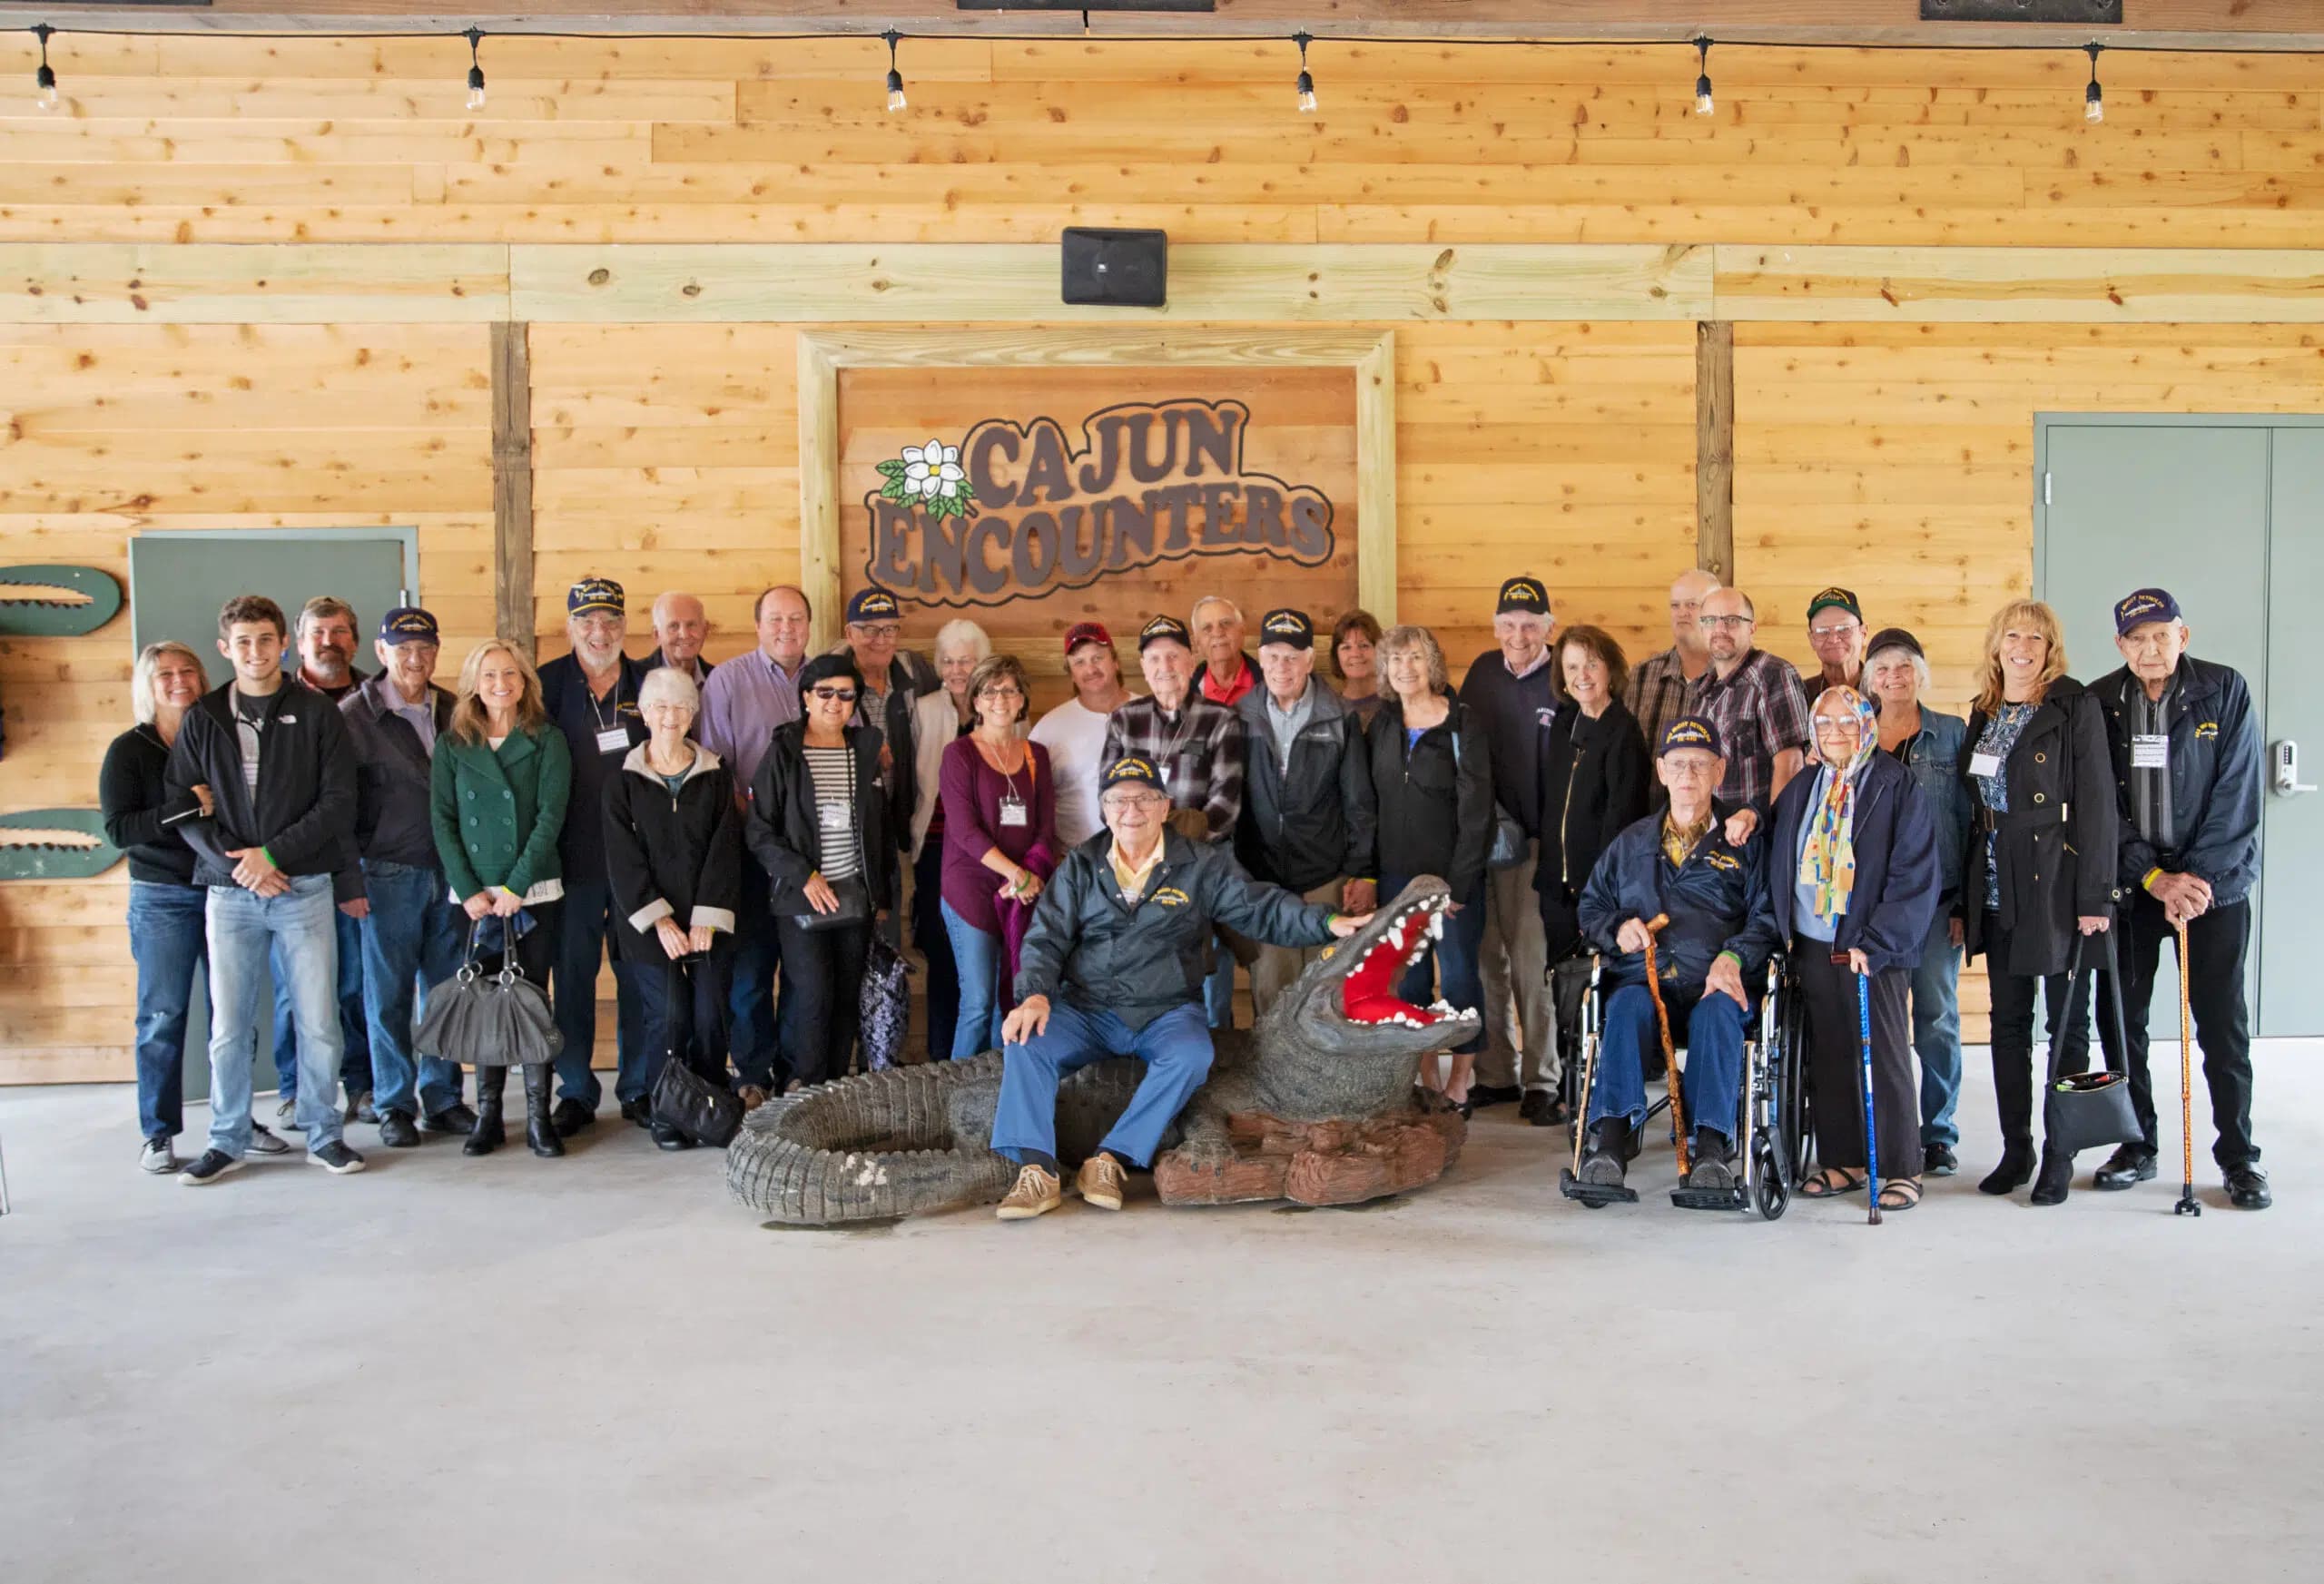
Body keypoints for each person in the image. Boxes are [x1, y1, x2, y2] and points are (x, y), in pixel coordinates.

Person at [989, 758, 1370, 1220]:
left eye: (1144, 798)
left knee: (1193, 1054)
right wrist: (1035, 994)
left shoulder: (1202, 865)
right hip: (1088, 1008)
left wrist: (1327, 921)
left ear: (1164, 806)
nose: (1132, 809)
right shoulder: (1080, 866)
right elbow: (1045, 938)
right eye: (1119, 800)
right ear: (1104, 809)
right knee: (1025, 1042)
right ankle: (1037, 1170)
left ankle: (1111, 1159)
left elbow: (1260, 908)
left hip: (1165, 1009)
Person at [164, 595, 365, 1184]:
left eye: (265, 640)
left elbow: (338, 801)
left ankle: (324, 1134)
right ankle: (226, 1138)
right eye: (242, 642)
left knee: (319, 1020)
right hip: (229, 896)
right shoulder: (203, 717)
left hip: (302, 887)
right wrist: (241, 866)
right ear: (226, 649)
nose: (255, 652)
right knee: (229, 1025)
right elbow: (181, 806)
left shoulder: (319, 713)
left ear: (284, 644)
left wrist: (273, 855)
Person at [2089, 589, 2269, 1210]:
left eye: (2161, 635)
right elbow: (2099, 807)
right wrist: (2152, 877)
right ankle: (2136, 1143)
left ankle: (2240, 1157)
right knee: (2122, 1020)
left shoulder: (2226, 690)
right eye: (2136, 638)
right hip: (2136, 889)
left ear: (2183, 636)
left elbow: (2237, 797)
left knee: (2222, 1026)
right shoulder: (2100, 700)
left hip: (2213, 892)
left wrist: (2193, 882)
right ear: (2120, 645)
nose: (2150, 648)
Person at [1571, 717, 1781, 1197]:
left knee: (1718, 1014)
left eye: (1701, 764)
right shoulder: (1631, 843)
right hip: (1645, 981)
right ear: (1661, 772)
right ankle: (1609, 1144)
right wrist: (1617, 927)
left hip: (1717, 982)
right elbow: (1592, 906)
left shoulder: (1744, 844)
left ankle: (1710, 1148)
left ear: (1720, 771)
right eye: (1678, 764)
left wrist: (1733, 955)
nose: (1688, 774)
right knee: (1623, 1008)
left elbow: (1768, 917)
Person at [102, 642, 291, 1173]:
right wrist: (186, 805)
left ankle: (235, 1122)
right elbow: (119, 829)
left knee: (231, 1016)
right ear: (148, 684)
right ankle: (159, 1133)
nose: (178, 680)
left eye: (187, 671)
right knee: (163, 1015)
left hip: (225, 888)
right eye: (165, 673)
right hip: (163, 895)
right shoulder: (130, 750)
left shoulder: (218, 735)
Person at [1959, 598, 2117, 1206]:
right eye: (2012, 635)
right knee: (2008, 1024)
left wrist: (2095, 896)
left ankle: (2060, 1152)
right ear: (1996, 646)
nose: (2022, 646)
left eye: (2035, 637)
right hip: (1997, 886)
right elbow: (1971, 807)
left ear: (2051, 648)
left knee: (2067, 1027)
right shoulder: (1984, 709)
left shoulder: (2074, 705)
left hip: (2057, 884)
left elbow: (2099, 803)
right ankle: (2016, 1147)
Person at [1770, 687, 1941, 1213]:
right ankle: (1842, 1159)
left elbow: (1914, 874)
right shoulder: (1804, 785)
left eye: (1848, 722)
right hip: (1814, 941)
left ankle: (1900, 1166)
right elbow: (1780, 852)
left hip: (1872, 948)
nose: (1837, 733)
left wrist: (1879, 941)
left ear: (1867, 725)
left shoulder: (1896, 784)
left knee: (1884, 1054)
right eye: (1825, 725)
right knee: (1831, 1052)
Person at [338, 606, 473, 1148]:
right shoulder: (353, 717)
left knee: (443, 992)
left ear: (436, 652)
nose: (414, 659)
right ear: (381, 652)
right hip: (386, 874)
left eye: (424, 649)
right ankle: (394, 1101)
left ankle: (441, 1097)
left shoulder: (454, 711)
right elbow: (338, 805)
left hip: (450, 874)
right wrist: (349, 879)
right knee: (387, 993)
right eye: (402, 649)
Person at [432, 639, 572, 1158]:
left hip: (532, 891)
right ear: (473, 683)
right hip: (474, 899)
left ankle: (539, 1118)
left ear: (525, 682)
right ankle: (488, 1116)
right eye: (489, 675)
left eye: (510, 674)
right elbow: (443, 820)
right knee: (484, 1005)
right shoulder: (453, 745)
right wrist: (470, 889)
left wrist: (516, 886)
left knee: (532, 1003)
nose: (500, 684)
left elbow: (549, 818)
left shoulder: (547, 738)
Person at [604, 666, 743, 1151]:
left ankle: (703, 1105)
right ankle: (668, 1109)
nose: (669, 716)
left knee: (709, 1014)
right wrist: (660, 919)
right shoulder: (622, 779)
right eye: (660, 707)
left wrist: (706, 917)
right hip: (646, 924)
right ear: (643, 713)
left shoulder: (715, 772)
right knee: (669, 1014)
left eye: (680, 707)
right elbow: (622, 859)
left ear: (693, 714)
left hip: (708, 920)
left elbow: (726, 849)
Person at [745, 654, 899, 1089]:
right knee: (812, 997)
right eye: (825, 692)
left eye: (845, 693)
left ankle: (833, 1090)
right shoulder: (784, 752)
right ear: (806, 697)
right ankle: (803, 1088)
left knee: (846, 998)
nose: (835, 701)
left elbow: (881, 830)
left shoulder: (865, 750)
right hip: (803, 897)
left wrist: (883, 898)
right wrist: (803, 875)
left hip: (856, 896)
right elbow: (759, 830)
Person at [537, 575, 651, 1136]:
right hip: (570, 861)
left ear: (624, 626)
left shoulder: (650, 681)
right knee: (574, 978)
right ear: (570, 627)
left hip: (638, 862)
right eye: (587, 621)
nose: (598, 631)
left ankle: (639, 1087)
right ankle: (576, 1090)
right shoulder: (545, 685)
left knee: (638, 977)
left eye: (609, 620)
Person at [1230, 608, 1377, 1015]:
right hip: (1265, 885)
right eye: (1274, 656)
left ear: (1310, 661)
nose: (1283, 666)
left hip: (1325, 880)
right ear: (1260, 658)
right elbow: (1233, 805)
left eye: (1293, 657)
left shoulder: (1339, 716)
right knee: (1273, 998)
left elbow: (1358, 803)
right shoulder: (1240, 718)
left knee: (1326, 998)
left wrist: (1362, 871)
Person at [1866, 627, 1974, 1177]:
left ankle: (1938, 1132)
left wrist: (1965, 906)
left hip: (1935, 905)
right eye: (1882, 669)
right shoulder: (1855, 734)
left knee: (1936, 1018)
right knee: (1880, 1023)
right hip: (1872, 910)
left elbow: (1972, 823)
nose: (1893, 678)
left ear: (1920, 674)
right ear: (1869, 679)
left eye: (1903, 668)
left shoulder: (1952, 735)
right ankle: (1889, 1127)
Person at [1369, 625, 1492, 1107]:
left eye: (1415, 658)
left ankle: (1461, 1080)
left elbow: (1477, 810)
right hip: (1397, 879)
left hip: (1450, 878)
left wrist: (1460, 882)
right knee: (1411, 980)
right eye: (1396, 660)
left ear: (1432, 664)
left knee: (1460, 976)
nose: (1405, 668)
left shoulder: (1462, 723)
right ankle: (1426, 1080)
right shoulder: (1381, 723)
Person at [1535, 625, 1653, 1124]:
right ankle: (1569, 1083)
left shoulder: (1623, 731)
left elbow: (1621, 821)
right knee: (1563, 992)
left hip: (1597, 892)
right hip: (1554, 887)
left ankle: (1600, 1094)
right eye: (1571, 667)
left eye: (1591, 664)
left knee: (1593, 991)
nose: (1582, 676)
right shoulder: (1564, 725)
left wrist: (1597, 890)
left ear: (1610, 669)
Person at [699, 584, 811, 1104]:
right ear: (758, 625)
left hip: (812, 860)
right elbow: (719, 771)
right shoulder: (727, 680)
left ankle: (796, 1072)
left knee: (803, 970)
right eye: (775, 619)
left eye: (795, 619)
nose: (786, 628)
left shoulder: (825, 679)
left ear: (809, 626)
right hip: (748, 852)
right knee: (750, 972)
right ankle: (752, 1074)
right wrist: (763, 834)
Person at [1456, 575, 1560, 1113]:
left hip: (1536, 844)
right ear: (1496, 627)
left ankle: (1543, 1078)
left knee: (1529, 961)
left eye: (1529, 624)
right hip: (1480, 840)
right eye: (1509, 625)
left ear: (1548, 626)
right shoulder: (1480, 673)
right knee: (1484, 958)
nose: (1518, 635)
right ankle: (1497, 1070)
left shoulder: (1563, 675)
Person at [270, 593, 372, 1130]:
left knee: (355, 983)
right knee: (295, 988)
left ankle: (361, 1085)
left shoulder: (374, 698)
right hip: (294, 868)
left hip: (359, 866)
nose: (329, 642)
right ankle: (295, 1090)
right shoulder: (278, 700)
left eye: (339, 632)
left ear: (355, 639)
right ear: (298, 642)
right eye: (318, 633)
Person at [941, 654, 1059, 1060]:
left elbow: (1046, 827)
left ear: (1022, 698)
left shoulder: (1035, 755)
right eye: (990, 691)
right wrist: (1016, 874)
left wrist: (1030, 876)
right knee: (978, 1001)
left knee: (1011, 1002)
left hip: (1023, 889)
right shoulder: (959, 755)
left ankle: (997, 1093)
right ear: (975, 700)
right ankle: (953, 1097)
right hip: (970, 887)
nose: (1000, 699)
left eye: (1009, 689)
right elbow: (963, 830)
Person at [909, 618, 992, 1066]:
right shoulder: (923, 710)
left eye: (966, 660)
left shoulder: (1002, 708)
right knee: (942, 954)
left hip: (991, 853)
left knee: (987, 953)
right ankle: (944, 1055)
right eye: (948, 660)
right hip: (938, 849)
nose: (957, 669)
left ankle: (986, 1056)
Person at [1101, 615, 1244, 845]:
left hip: (1200, 856)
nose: (1164, 667)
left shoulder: (1221, 719)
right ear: (1144, 668)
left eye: (1173, 656)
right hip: (1136, 856)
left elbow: (1225, 808)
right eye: (1154, 658)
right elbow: (1106, 800)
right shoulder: (1123, 720)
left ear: (1191, 662)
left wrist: (1163, 840)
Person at [1686, 586, 1810, 837]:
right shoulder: (1700, 690)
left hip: (1755, 841)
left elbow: (1792, 765)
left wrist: (1771, 833)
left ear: (1752, 627)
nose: (1720, 629)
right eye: (1710, 620)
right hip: (1712, 842)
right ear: (1702, 628)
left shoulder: (1773, 675)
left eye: (1732, 620)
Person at [834, 585, 941, 855]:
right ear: (849, 633)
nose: (881, 639)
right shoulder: (829, 683)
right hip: (849, 827)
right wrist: (865, 746)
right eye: (870, 629)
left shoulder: (915, 672)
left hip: (903, 820)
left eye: (890, 629)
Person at [1028, 621, 1136, 851]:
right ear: (1071, 675)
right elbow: (1033, 801)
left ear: (1115, 662)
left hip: (1147, 858)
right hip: (1075, 860)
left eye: (1098, 658)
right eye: (1079, 662)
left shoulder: (1150, 713)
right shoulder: (1049, 729)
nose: (1090, 669)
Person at [1624, 569, 1721, 757]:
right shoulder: (1641, 675)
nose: (1682, 613)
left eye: (1692, 605)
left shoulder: (1737, 675)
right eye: (1675, 605)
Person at [1192, 594, 1259, 708]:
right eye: (1207, 628)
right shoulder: (1185, 693)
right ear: (1197, 642)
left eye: (1225, 623)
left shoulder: (1270, 684)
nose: (1217, 633)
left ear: (1242, 631)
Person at [641, 590, 713, 684]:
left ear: (705, 630)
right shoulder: (634, 679)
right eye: (673, 626)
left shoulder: (720, 681)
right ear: (657, 635)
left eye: (691, 625)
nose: (684, 635)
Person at [1805, 586, 1868, 694]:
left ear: (1864, 634)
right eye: (1822, 631)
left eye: (1844, 629)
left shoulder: (1885, 691)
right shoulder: (1800, 695)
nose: (1833, 639)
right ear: (1812, 640)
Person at [1330, 609, 1384, 727]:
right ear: (1336, 656)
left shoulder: (1396, 707)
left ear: (1379, 651)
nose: (1355, 653)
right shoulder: (1328, 711)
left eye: (1364, 645)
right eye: (1346, 647)